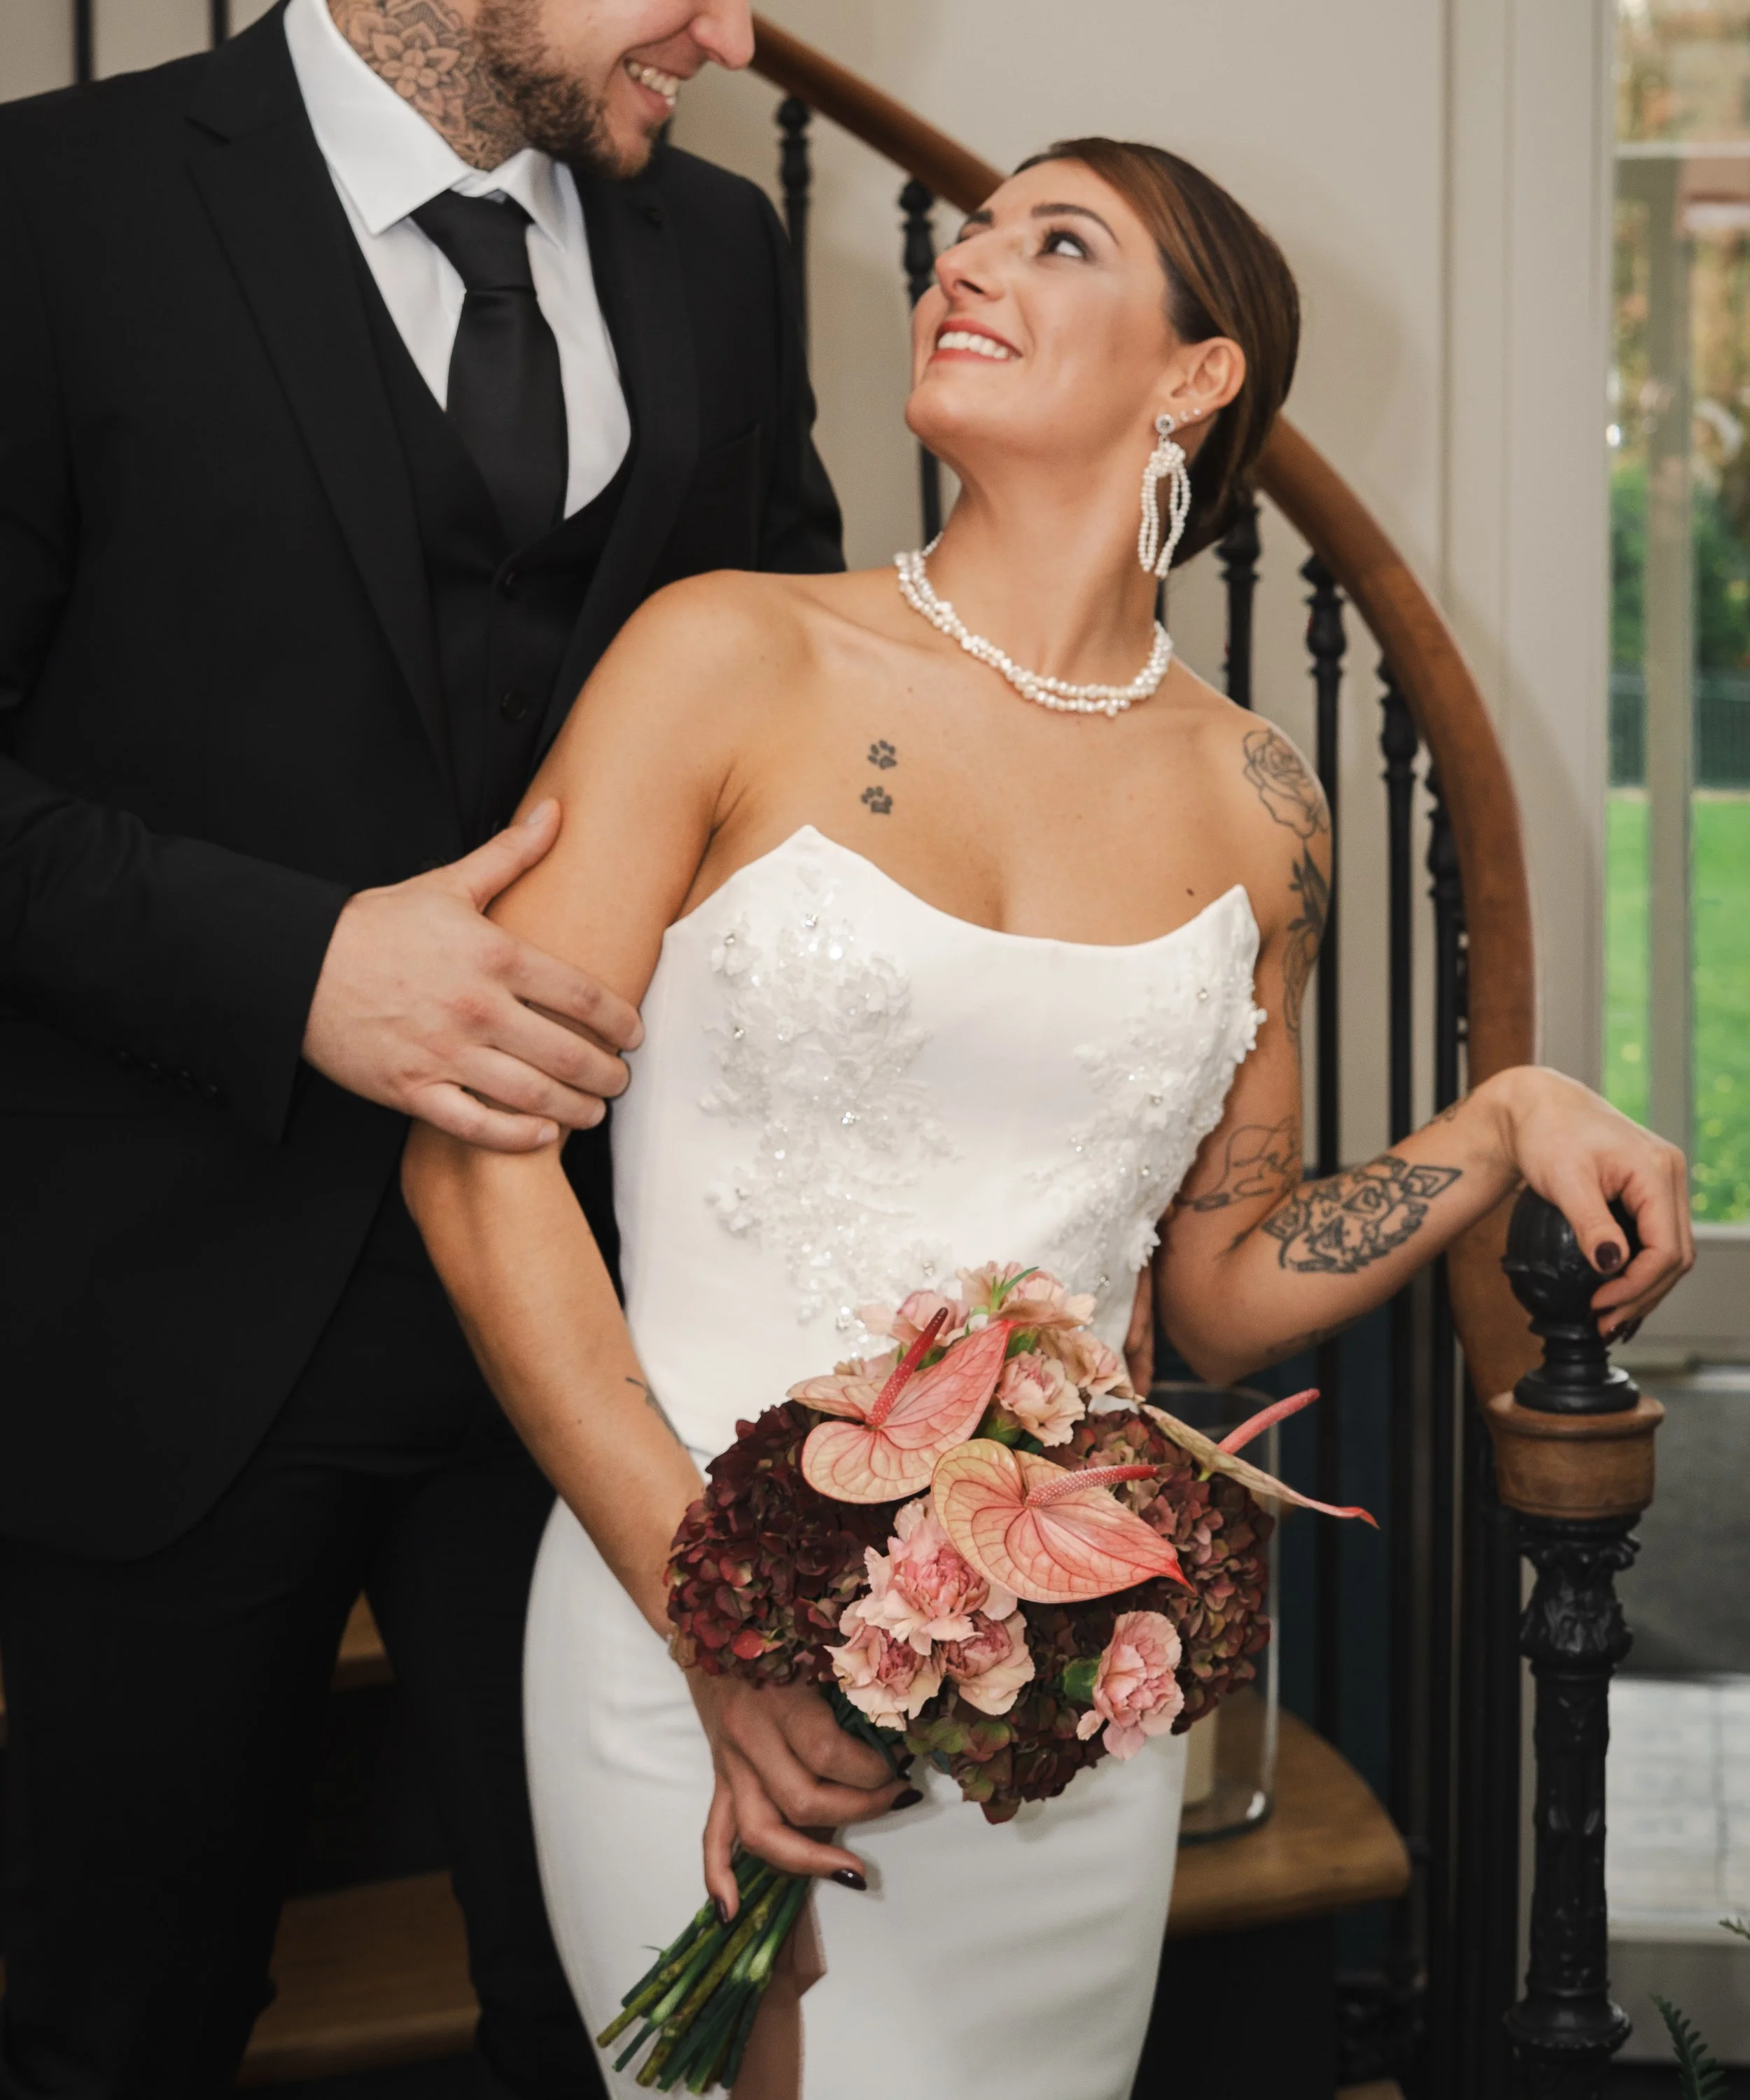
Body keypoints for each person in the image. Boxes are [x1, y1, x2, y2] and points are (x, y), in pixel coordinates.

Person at [404, 135, 1692, 2099]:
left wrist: (1500, 1114)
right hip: (677, 1616)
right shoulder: (721, 656)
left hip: (1056, 1682)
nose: (968, 264)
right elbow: (475, 1159)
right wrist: (720, 1623)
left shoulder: (1260, 801)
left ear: (1192, 376)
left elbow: (1226, 1284)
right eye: (974, 232)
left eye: (1055, 239)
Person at [0, 0, 839, 2100]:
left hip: (595, 1339)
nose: (734, 36)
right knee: (106, 2026)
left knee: (605, 2022)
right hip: (164, 1330)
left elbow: (785, 741)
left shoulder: (713, 255)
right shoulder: (51, 218)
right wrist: (295, 967)